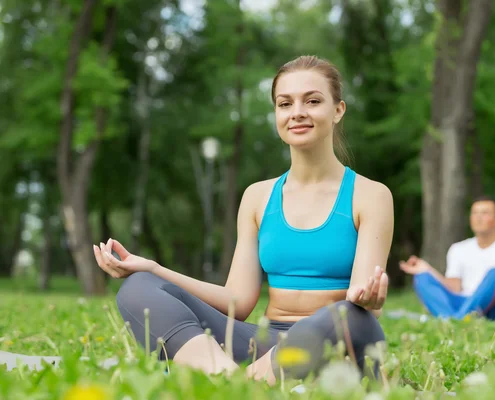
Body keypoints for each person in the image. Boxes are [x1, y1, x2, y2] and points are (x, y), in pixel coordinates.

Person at [93, 55, 394, 384]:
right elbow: (237, 301)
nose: (297, 113)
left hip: (336, 344)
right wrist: (153, 269)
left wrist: (368, 299)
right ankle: (231, 381)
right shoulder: (258, 197)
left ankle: (233, 386)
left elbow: (365, 304)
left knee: (347, 315)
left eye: (313, 101)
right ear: (277, 114)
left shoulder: (370, 195)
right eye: (285, 103)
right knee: (137, 288)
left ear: (338, 110)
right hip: (263, 346)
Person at [399, 196, 495, 321]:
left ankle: (452, 320)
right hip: (462, 302)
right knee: (421, 277)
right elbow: (454, 288)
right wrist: (427, 269)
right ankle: (459, 319)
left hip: (493, 309)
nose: (478, 217)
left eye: (485, 213)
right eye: (475, 213)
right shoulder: (458, 249)